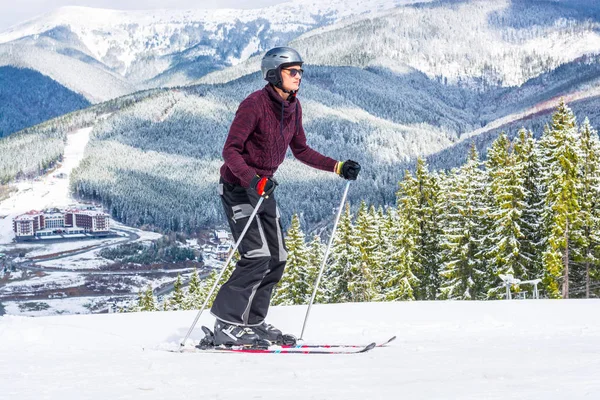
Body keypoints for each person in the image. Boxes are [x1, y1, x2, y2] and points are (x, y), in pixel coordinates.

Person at [211, 46, 361, 346]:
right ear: (273, 73)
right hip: (240, 187)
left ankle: (251, 322)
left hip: (264, 189)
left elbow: (301, 149)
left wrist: (338, 166)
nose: (298, 76)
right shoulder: (253, 105)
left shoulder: (293, 106)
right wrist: (253, 180)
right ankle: (226, 324)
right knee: (256, 256)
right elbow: (230, 151)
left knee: (278, 257)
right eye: (292, 71)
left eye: (300, 71)